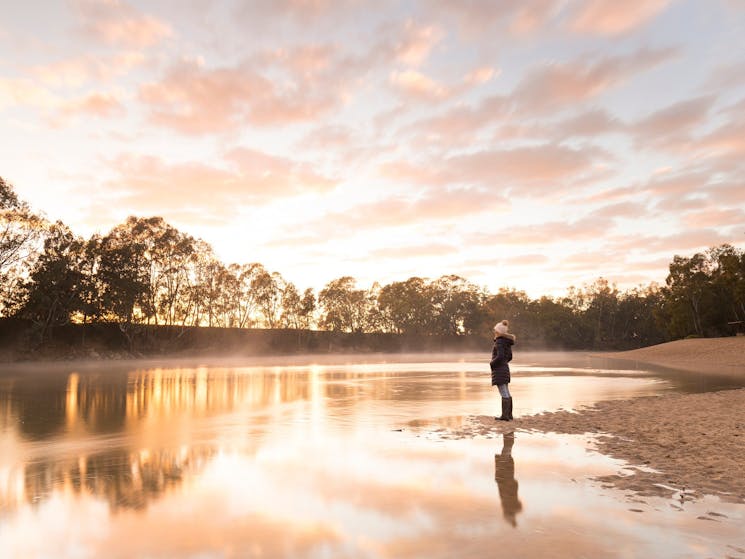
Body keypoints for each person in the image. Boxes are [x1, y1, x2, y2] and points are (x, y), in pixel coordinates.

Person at [494, 431, 523, 527]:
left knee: (507, 449)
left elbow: (510, 489)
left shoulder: (507, 501)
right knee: (507, 449)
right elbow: (511, 489)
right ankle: (508, 434)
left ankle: (508, 434)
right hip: (505, 476)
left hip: (504, 476)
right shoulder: (508, 501)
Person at [490, 319, 516, 421]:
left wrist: (492, 363)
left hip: (500, 369)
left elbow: (500, 356)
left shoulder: (499, 342)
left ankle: (505, 416)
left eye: (495, 331)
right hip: (504, 368)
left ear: (498, 332)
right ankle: (509, 415)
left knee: (503, 392)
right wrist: (504, 362)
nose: (494, 332)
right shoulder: (506, 342)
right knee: (506, 392)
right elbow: (509, 357)